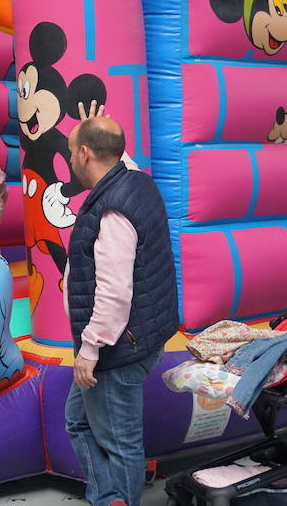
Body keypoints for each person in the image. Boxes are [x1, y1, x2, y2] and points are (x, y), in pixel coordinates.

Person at [63, 111, 178, 506]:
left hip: (117, 349)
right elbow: (117, 156)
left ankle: (119, 500)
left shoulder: (112, 209)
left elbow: (114, 291)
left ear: (84, 154)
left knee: (121, 442)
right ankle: (108, 497)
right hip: (138, 337)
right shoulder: (134, 180)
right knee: (78, 421)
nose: (70, 162)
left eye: (71, 153)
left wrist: (90, 348)